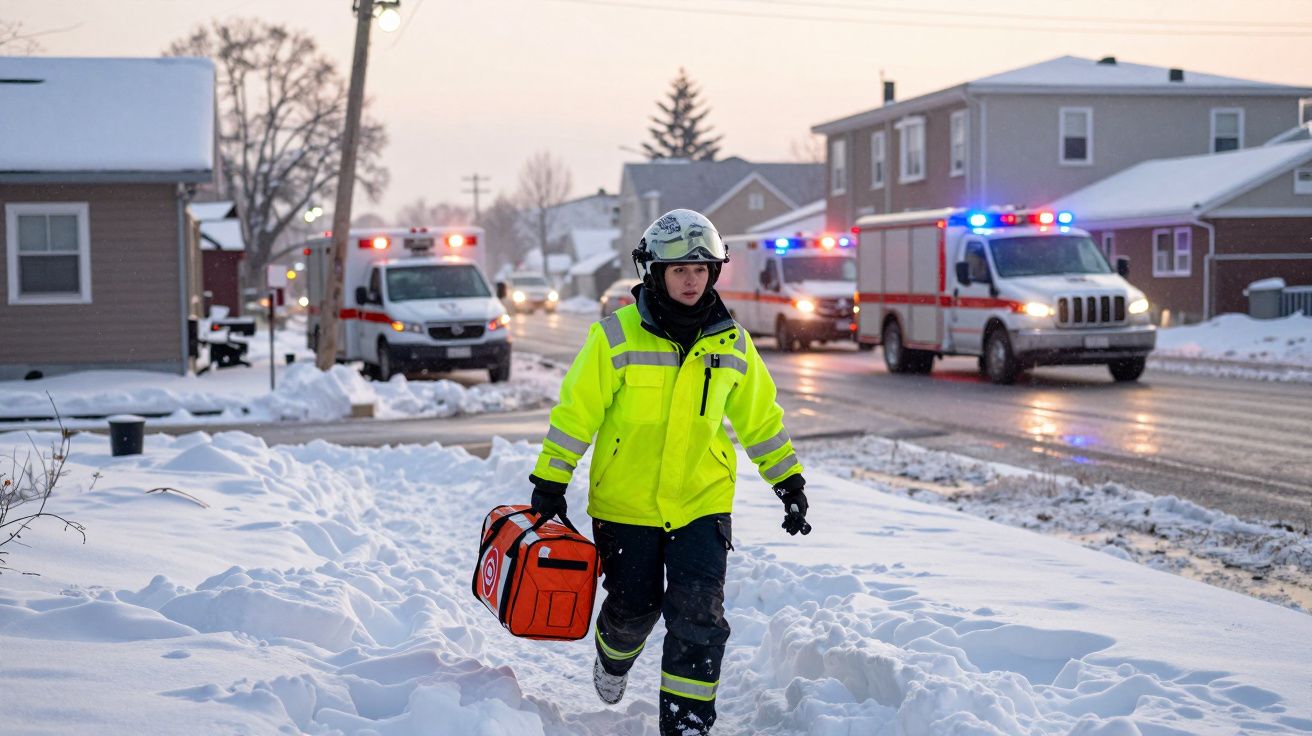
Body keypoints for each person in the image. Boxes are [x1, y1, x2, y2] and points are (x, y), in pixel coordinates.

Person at [528, 209, 810, 735]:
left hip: (701, 502)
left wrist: (787, 481)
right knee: (634, 609)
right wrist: (550, 481)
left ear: (714, 273)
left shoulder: (731, 343)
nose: (690, 279)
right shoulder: (615, 337)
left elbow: (761, 422)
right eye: (679, 269)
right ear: (654, 273)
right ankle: (613, 657)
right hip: (626, 503)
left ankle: (686, 725)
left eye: (701, 269)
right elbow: (575, 415)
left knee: (699, 619)